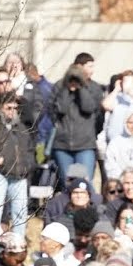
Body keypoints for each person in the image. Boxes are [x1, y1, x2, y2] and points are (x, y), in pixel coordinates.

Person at [51, 61, 104, 189]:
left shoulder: (93, 87)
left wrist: (81, 88)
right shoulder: (59, 86)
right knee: (67, 184)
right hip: (62, 145)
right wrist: (67, 89)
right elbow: (61, 108)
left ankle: (88, 208)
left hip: (85, 145)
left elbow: (89, 108)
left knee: (85, 184)